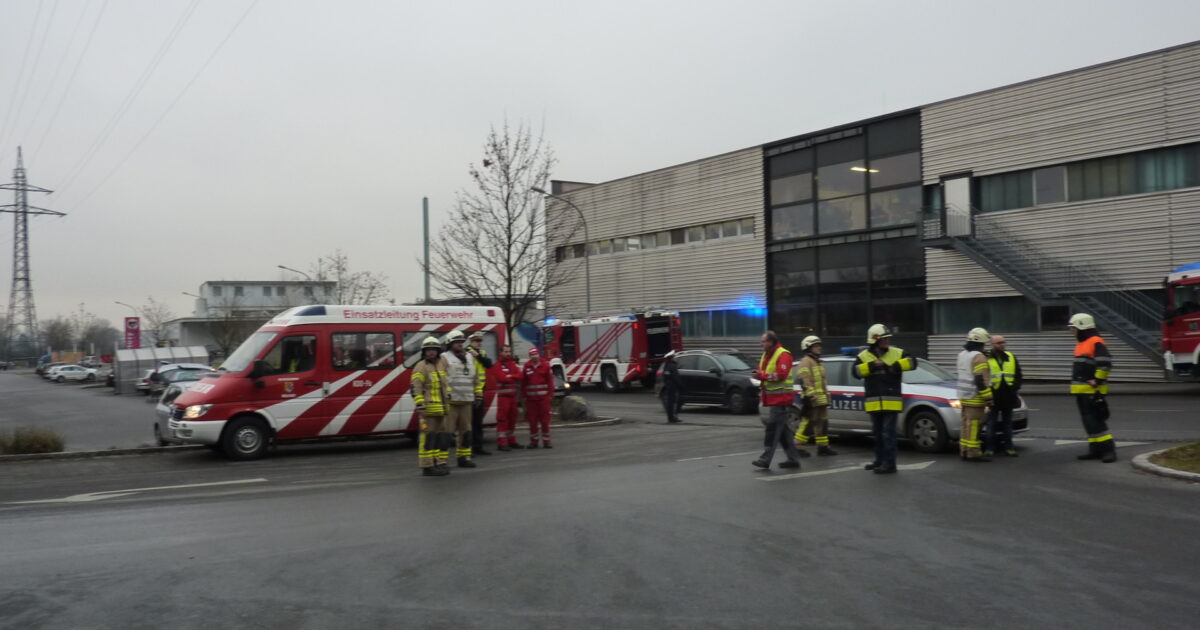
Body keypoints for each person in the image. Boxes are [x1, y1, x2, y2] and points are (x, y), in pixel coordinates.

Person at [853, 324, 916, 474]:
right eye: (884, 339)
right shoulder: (863, 356)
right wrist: (872, 366)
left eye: (888, 338)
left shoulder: (897, 353)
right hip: (874, 403)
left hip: (891, 401)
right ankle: (879, 461)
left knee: (888, 433)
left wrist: (894, 366)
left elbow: (913, 362)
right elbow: (855, 372)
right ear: (874, 340)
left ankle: (889, 464)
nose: (887, 341)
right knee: (878, 433)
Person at [1069, 313, 1117, 463]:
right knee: (1088, 422)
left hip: (1092, 391)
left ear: (1082, 326)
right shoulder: (1081, 343)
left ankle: (1108, 451)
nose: (1072, 331)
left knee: (1096, 422)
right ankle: (1095, 450)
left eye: (1074, 328)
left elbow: (1105, 363)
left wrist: (1097, 380)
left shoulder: (1095, 341)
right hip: (1081, 391)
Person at [752, 330, 802, 470]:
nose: (761, 344)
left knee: (772, 430)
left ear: (771, 342)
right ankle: (793, 459)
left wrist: (761, 376)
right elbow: (761, 371)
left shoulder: (783, 354)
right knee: (783, 432)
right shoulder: (766, 355)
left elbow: (781, 374)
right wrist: (757, 375)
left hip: (781, 400)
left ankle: (765, 459)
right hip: (774, 399)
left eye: (763, 341)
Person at [410, 336, 451, 477]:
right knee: (428, 438)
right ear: (424, 352)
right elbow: (416, 387)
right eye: (429, 350)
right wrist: (420, 404)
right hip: (428, 410)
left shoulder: (442, 363)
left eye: (434, 349)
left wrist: (449, 395)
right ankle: (427, 466)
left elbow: (446, 383)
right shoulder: (420, 366)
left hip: (443, 409)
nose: (431, 352)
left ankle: (440, 463)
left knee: (442, 438)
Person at [442, 330, 483, 468]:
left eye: (461, 341)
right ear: (450, 343)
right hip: (450, 402)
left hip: (466, 401)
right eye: (457, 342)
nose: (460, 344)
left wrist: (478, 394)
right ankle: (442, 461)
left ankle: (464, 457)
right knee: (446, 434)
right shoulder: (444, 358)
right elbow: (441, 378)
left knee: (466, 433)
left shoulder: (470, 358)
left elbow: (476, 378)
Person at [793, 335, 836, 457]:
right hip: (811, 399)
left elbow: (822, 382)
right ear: (808, 348)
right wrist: (811, 396)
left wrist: (826, 396)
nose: (819, 348)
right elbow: (805, 381)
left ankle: (823, 447)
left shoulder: (818, 362)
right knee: (808, 423)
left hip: (821, 399)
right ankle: (798, 447)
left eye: (819, 346)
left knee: (822, 423)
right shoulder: (805, 362)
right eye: (816, 346)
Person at [956, 328, 993, 462]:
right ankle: (973, 452)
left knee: (965, 424)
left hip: (964, 396)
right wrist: (988, 398)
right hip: (975, 397)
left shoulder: (962, 354)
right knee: (974, 426)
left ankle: (964, 450)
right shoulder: (979, 357)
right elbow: (980, 381)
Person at [985, 335, 1022, 458]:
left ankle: (1009, 447)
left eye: (1003, 342)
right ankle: (990, 448)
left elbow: (1018, 374)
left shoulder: (1011, 356)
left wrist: (1014, 388)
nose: (1002, 345)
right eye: (999, 343)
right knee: (991, 424)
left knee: (1007, 424)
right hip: (993, 397)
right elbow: (984, 377)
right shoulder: (986, 358)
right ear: (992, 345)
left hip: (1008, 397)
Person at [466, 331, 495, 455]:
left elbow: (488, 364)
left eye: (480, 341)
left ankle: (478, 446)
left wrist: (477, 355)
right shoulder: (466, 352)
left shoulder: (481, 353)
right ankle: (469, 448)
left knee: (478, 421)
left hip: (480, 391)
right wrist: (472, 354)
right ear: (471, 342)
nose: (479, 343)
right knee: (469, 422)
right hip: (469, 391)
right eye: (476, 341)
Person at [522, 347, 554, 448]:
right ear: (529, 356)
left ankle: (546, 441)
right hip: (531, 401)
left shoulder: (545, 366)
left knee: (545, 421)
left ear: (538, 354)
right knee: (532, 422)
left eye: (535, 354)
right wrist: (524, 397)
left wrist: (550, 396)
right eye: (532, 354)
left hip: (543, 400)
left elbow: (550, 382)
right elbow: (523, 383)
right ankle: (534, 442)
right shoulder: (526, 367)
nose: (534, 356)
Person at [494, 345, 524, 451]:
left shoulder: (512, 364)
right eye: (506, 351)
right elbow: (501, 378)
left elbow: (520, 376)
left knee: (512, 419)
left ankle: (511, 440)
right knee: (502, 420)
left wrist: (510, 376)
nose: (508, 353)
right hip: (503, 398)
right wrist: (513, 377)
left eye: (509, 351)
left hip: (512, 398)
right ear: (501, 352)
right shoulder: (497, 365)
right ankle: (502, 443)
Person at [660, 350, 683, 423]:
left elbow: (665, 377)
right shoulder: (672, 366)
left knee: (670, 403)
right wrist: (680, 386)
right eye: (674, 356)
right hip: (673, 388)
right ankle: (672, 418)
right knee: (672, 403)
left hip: (669, 387)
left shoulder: (666, 366)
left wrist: (667, 385)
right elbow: (675, 378)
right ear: (672, 358)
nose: (675, 358)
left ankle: (671, 418)